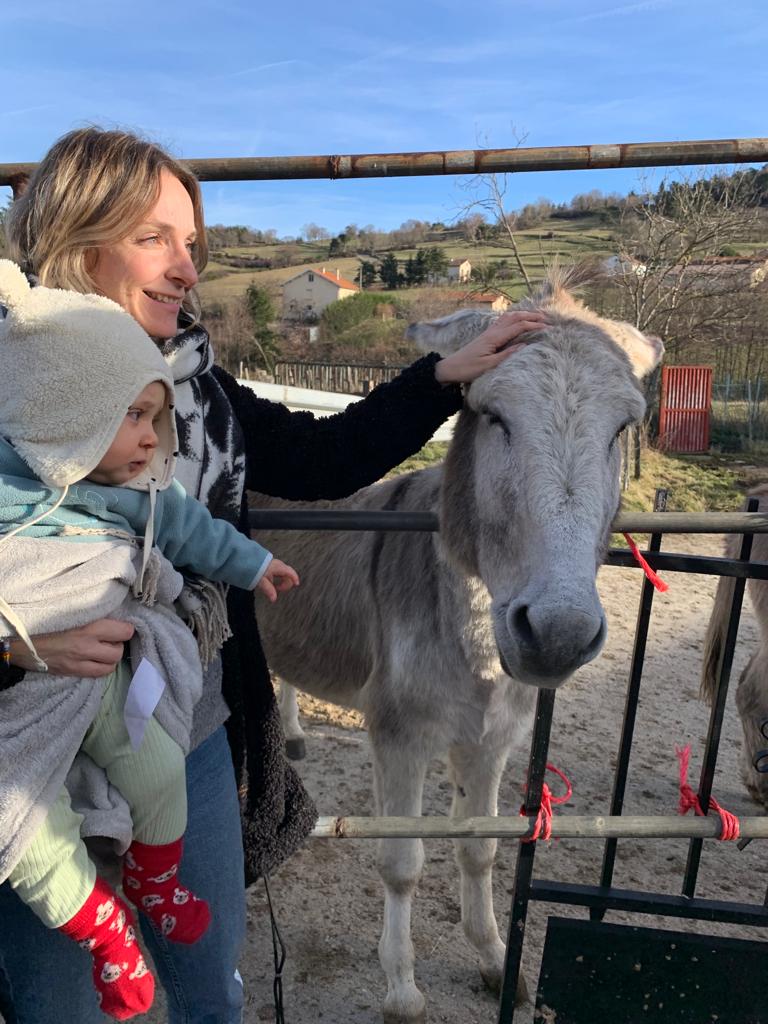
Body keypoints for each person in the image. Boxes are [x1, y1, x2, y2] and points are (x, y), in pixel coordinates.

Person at [0, 127, 549, 1024]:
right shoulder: (6, 391)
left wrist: (445, 378)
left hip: (193, 722)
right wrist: (19, 644)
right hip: (28, 756)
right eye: (154, 239)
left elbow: (327, 456)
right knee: (65, 1005)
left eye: (193, 245)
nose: (186, 268)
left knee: (207, 992)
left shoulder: (197, 388)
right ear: (75, 235)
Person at [0, 261, 300, 1020]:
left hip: (108, 685)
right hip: (19, 707)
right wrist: (15, 644)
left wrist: (255, 563)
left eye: (153, 418)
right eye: (131, 417)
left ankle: (155, 882)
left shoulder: (132, 488)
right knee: (24, 827)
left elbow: (194, 530)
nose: (148, 440)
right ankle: (102, 929)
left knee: (159, 766)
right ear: (68, 411)